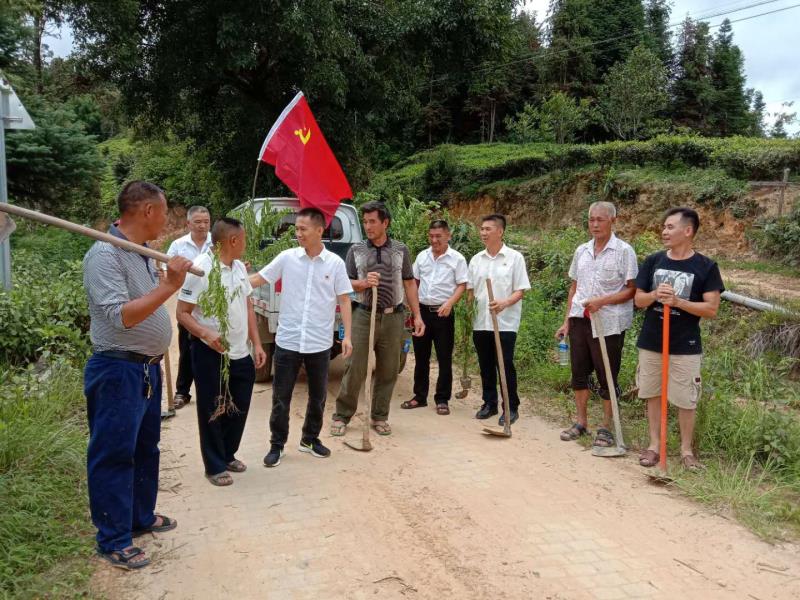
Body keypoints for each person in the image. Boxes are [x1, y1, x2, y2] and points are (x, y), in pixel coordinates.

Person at [83, 181, 193, 570]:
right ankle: (113, 538)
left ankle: (139, 518)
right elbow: (123, 316)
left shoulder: (142, 254)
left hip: (144, 370)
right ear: (147, 211)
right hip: (117, 369)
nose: (166, 222)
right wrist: (168, 286)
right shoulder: (104, 255)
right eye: (164, 213)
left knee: (145, 449)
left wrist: (162, 280)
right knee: (113, 453)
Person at [250, 207, 354, 467]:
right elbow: (259, 279)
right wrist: (229, 276)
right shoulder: (287, 258)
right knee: (280, 397)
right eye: (296, 229)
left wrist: (348, 336)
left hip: (319, 343)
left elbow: (344, 299)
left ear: (320, 230)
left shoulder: (335, 264)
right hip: (288, 340)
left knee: (318, 396)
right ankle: (277, 444)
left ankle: (310, 439)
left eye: (302, 229)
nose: (297, 233)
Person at [176, 217, 266, 486]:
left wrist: (257, 343)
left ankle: (228, 454)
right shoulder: (201, 270)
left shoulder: (239, 267)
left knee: (238, 405)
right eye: (245, 239)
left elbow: (248, 306)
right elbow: (182, 313)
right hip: (209, 353)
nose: (246, 244)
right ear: (233, 241)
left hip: (240, 352)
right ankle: (214, 465)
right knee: (213, 408)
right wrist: (206, 333)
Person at [635, 207, 724, 471]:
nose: (664, 231)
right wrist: (654, 295)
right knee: (651, 393)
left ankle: (686, 451)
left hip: (685, 345)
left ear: (688, 231)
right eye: (664, 227)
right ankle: (654, 445)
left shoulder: (706, 267)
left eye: (670, 227)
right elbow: (638, 300)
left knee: (686, 399)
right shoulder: (653, 261)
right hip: (652, 340)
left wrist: (678, 301)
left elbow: (711, 309)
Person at [331, 200, 425, 437]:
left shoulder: (401, 250)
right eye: (365, 221)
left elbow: (409, 283)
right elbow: (344, 282)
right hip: (363, 314)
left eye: (372, 221)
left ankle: (379, 416)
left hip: (394, 317)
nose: (368, 226)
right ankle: (342, 416)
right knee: (355, 367)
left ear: (386, 222)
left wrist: (417, 315)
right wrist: (362, 283)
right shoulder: (356, 250)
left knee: (388, 370)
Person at [556, 202, 638, 448]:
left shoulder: (624, 251)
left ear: (613, 221)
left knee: (607, 376)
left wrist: (603, 301)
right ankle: (581, 422)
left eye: (600, 220)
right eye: (591, 219)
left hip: (609, 323)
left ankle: (606, 426)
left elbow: (632, 289)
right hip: (580, 319)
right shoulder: (581, 250)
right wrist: (566, 321)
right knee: (578, 373)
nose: (595, 224)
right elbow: (575, 286)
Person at [468, 214, 531, 426]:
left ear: (500, 231)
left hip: (505, 323)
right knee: (485, 364)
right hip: (481, 322)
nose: (483, 233)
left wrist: (504, 303)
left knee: (504, 364)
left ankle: (511, 407)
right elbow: (471, 291)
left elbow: (520, 290)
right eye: (482, 229)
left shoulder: (514, 258)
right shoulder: (476, 259)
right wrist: (468, 315)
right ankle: (489, 403)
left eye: (488, 229)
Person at [403, 219, 468, 416]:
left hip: (443, 314)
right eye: (431, 236)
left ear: (448, 236)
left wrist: (449, 303)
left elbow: (462, 284)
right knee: (421, 356)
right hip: (421, 313)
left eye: (438, 236)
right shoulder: (422, 257)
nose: (434, 240)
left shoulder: (457, 259)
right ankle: (419, 396)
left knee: (444, 357)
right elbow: (413, 281)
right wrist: (412, 307)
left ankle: (442, 399)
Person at [166, 206, 212, 410]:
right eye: (198, 222)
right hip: (188, 306)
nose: (203, 225)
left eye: (206, 221)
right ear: (188, 224)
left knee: (213, 348)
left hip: (213, 305)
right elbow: (169, 272)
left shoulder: (216, 242)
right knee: (187, 348)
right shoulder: (178, 246)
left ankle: (212, 391)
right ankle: (182, 392)